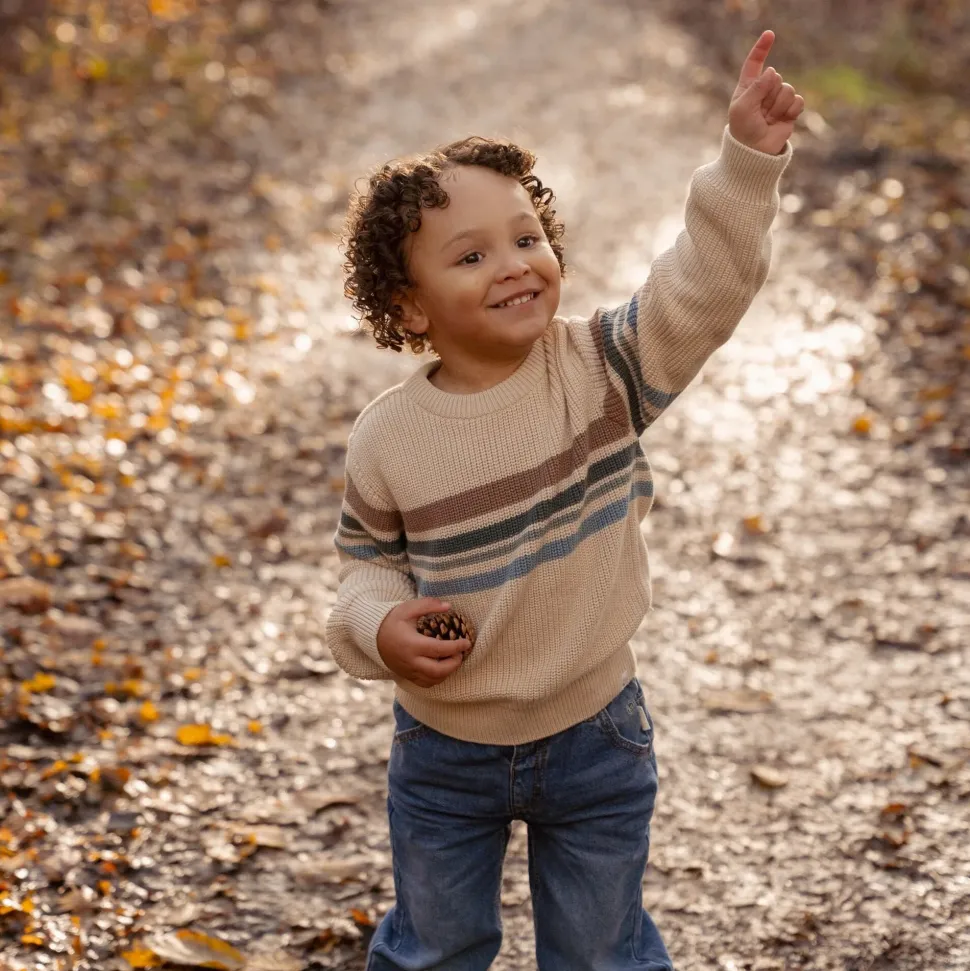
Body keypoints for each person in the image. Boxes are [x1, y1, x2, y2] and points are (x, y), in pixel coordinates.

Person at [325, 28, 804, 971]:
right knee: (435, 947)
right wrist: (377, 629)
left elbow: (700, 290)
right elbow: (364, 564)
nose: (513, 263)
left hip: (597, 731)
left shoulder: (602, 369)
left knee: (599, 952)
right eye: (470, 257)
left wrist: (746, 164)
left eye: (526, 237)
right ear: (410, 306)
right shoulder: (389, 436)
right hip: (445, 747)